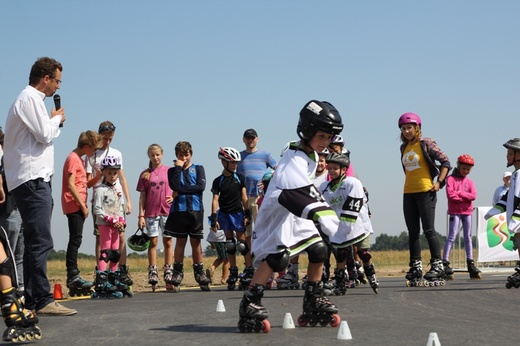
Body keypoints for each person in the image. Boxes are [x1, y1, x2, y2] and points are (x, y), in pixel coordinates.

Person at [237, 100, 343, 333]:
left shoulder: (311, 154)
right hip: (279, 212)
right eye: (322, 136)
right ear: (307, 130)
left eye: (329, 138)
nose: (326, 142)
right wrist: (322, 214)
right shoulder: (293, 156)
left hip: (296, 211)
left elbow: (305, 189)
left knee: (319, 250)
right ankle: (250, 301)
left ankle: (313, 298)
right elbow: (294, 189)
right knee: (279, 258)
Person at [4, 57, 76, 315]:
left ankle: (35, 299)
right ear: (45, 78)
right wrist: (55, 119)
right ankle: (41, 300)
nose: (57, 87)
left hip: (35, 177)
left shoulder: (30, 100)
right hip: (32, 178)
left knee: (36, 239)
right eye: (57, 81)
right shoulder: (30, 99)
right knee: (40, 239)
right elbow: (44, 133)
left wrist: (51, 121)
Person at [398, 112, 451, 286]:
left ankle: (437, 265)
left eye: (409, 128)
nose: (406, 131)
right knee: (412, 233)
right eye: (403, 128)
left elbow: (445, 162)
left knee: (429, 230)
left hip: (425, 191)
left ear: (417, 128)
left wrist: (439, 183)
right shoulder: (403, 147)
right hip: (408, 192)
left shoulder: (425, 143)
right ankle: (415, 266)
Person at [320, 152, 378, 294]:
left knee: (363, 253)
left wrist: (343, 228)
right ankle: (340, 284)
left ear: (344, 170)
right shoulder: (324, 187)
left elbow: (353, 206)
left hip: (357, 223)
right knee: (341, 256)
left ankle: (371, 275)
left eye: (335, 168)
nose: (332, 171)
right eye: (330, 168)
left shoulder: (352, 183)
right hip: (341, 226)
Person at [85, 121, 133, 287]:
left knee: (120, 235)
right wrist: (98, 177)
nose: (107, 141)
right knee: (101, 237)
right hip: (100, 198)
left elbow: (122, 177)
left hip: (116, 197)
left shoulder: (116, 153)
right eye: (104, 138)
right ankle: (101, 271)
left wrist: (128, 200)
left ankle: (120, 270)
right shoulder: (92, 155)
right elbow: (87, 181)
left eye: (110, 138)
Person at [164, 141, 210, 292]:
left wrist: (181, 190)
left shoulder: (198, 168)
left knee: (196, 241)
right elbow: (175, 186)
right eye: (181, 155)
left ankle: (200, 273)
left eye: (186, 154)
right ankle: (177, 272)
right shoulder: (172, 171)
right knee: (181, 241)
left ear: (191, 154)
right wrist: (178, 167)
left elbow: (200, 187)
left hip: (196, 210)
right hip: (179, 210)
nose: (184, 157)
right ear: (176, 155)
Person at [61, 130, 102, 296]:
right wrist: (82, 206)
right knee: (75, 240)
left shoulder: (80, 159)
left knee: (77, 239)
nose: (94, 153)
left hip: (78, 204)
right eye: (93, 149)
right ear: (86, 147)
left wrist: (98, 176)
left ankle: (74, 274)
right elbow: (71, 185)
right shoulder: (73, 159)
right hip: (74, 205)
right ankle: (72, 275)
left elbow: (85, 184)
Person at [236, 129, 277, 287]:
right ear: (243, 139)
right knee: (247, 235)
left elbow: (276, 168)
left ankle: (267, 271)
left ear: (257, 139)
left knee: (263, 233)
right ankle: (250, 268)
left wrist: (267, 178)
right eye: (247, 138)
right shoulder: (239, 157)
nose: (250, 140)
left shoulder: (265, 155)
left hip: (261, 199)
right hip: (244, 199)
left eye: (252, 138)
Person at [209, 147, 250, 290]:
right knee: (230, 245)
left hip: (237, 213)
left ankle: (249, 270)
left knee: (242, 244)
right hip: (224, 214)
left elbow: (244, 197)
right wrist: (214, 217)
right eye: (232, 163)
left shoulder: (240, 178)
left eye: (236, 163)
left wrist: (247, 213)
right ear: (224, 162)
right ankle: (233, 271)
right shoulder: (218, 181)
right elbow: (215, 199)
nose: (235, 165)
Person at [136, 144, 174, 291]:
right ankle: (153, 271)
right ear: (149, 156)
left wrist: (173, 197)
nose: (155, 157)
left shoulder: (169, 171)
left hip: (167, 211)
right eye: (152, 155)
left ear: (162, 154)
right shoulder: (145, 174)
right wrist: (140, 215)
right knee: (153, 242)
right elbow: (142, 196)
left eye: (157, 154)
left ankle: (168, 270)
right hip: (151, 212)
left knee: (168, 241)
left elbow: (176, 188)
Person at [485, 138, 520, 288]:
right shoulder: (515, 175)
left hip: (518, 220)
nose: (507, 156)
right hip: (517, 222)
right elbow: (508, 197)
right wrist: (495, 209)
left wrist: (517, 218)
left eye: (510, 153)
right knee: (518, 242)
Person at [92, 156, 128, 299]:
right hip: (105, 224)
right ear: (104, 173)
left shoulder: (117, 189)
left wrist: (121, 221)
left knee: (115, 253)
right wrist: (111, 220)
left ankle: (113, 277)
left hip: (115, 225)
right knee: (105, 252)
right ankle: (101, 281)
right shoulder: (100, 190)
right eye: (109, 173)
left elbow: (119, 208)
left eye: (115, 173)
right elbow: (97, 209)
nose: (112, 176)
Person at [442, 154, 480, 280]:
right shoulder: (451, 179)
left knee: (468, 237)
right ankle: (445, 262)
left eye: (468, 170)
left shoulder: (469, 182)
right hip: (455, 212)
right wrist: (465, 197)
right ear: (458, 166)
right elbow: (450, 195)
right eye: (464, 168)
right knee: (452, 236)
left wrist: (460, 193)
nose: (466, 171)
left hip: (467, 212)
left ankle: (470, 262)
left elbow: (473, 196)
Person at [0, 129, 24, 291]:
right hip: (9, 210)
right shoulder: (6, 158)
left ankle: (18, 288)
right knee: (11, 255)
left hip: (14, 208)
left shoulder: (8, 157)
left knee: (16, 254)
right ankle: (13, 289)